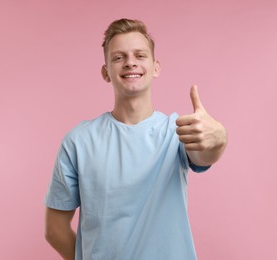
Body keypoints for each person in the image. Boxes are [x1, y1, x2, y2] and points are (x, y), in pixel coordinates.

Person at [44, 18, 227, 260]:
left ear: (155, 67)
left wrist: (219, 138)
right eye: (119, 57)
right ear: (105, 72)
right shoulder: (78, 141)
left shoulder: (178, 130)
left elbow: (204, 154)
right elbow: (55, 229)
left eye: (140, 55)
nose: (130, 62)